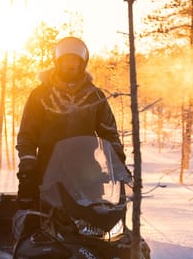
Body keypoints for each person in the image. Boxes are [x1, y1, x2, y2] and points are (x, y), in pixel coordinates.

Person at [14, 37, 126, 209]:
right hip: (49, 165)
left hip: (86, 168)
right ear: (58, 62)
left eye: (75, 60)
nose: (70, 65)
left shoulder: (94, 95)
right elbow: (28, 133)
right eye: (66, 60)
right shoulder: (41, 94)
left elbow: (108, 131)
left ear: (82, 64)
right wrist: (27, 163)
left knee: (98, 218)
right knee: (40, 217)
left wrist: (118, 160)